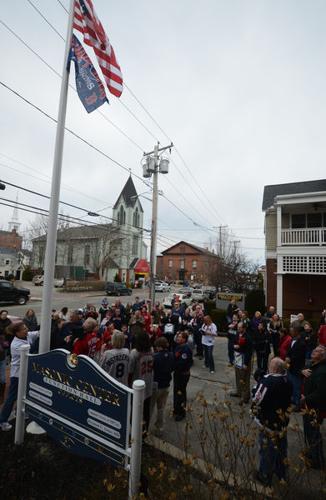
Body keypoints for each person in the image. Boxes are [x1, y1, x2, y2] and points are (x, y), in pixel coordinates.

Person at [252, 357, 292, 487]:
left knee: (266, 450)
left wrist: (256, 388)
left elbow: (257, 399)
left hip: (269, 422)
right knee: (281, 448)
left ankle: (264, 475)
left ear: (274, 368)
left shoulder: (268, 381)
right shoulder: (287, 380)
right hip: (282, 421)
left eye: (270, 364)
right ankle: (281, 472)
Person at [0, 322, 39, 431]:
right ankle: (2, 420)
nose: (27, 330)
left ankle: (19, 411)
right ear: (17, 333)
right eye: (24, 329)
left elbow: (39, 333)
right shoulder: (15, 345)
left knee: (26, 393)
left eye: (26, 327)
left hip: (26, 372)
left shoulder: (27, 335)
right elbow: (30, 352)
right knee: (12, 397)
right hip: (17, 374)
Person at [301, 345, 326, 470]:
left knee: (314, 433)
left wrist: (305, 398)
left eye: (316, 351)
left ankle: (318, 461)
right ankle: (312, 453)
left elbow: (320, 393)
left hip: (314, 408)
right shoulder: (312, 365)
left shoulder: (322, 371)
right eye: (314, 349)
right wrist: (302, 371)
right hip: (307, 405)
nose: (313, 351)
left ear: (322, 356)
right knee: (308, 431)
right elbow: (304, 370)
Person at [129, 332, 154, 434]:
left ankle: (135, 431)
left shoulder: (135, 353)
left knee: (135, 410)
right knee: (146, 409)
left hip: (137, 384)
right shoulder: (151, 350)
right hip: (148, 382)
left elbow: (130, 371)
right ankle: (145, 430)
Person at [152, 337, 174, 433]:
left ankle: (145, 427)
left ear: (158, 347)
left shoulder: (155, 357)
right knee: (161, 408)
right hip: (166, 384)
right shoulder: (171, 355)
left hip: (157, 385)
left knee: (150, 407)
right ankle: (160, 427)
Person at [173, 330, 193, 421]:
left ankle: (181, 412)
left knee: (181, 393)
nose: (178, 338)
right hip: (177, 373)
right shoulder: (178, 346)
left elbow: (182, 363)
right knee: (176, 392)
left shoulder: (186, 349)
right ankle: (176, 408)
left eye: (180, 337)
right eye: (178, 337)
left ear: (184, 339)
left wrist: (172, 366)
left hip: (182, 374)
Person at [231, 321, 253, 404]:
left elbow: (249, 352)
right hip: (237, 359)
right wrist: (234, 346)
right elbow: (233, 342)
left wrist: (246, 364)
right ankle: (239, 392)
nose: (238, 329)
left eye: (240, 328)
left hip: (244, 360)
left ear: (244, 328)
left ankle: (246, 396)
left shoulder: (248, 337)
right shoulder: (237, 334)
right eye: (238, 327)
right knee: (238, 376)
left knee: (245, 378)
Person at [286, 326, 306, 410]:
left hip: (297, 368)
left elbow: (299, 356)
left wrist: (290, 359)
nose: (291, 331)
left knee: (297, 385)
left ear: (297, 332)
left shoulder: (301, 343)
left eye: (293, 330)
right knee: (291, 384)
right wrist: (287, 356)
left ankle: (298, 404)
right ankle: (293, 400)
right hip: (291, 367)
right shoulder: (292, 340)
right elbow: (289, 351)